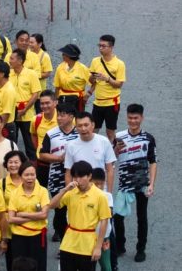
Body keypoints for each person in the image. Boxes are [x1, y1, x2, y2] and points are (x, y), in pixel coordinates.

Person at [113, 104, 157, 264]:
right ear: (127, 117)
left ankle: (141, 249)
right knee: (117, 217)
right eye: (130, 118)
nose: (132, 121)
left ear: (141, 118)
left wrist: (151, 184)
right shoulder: (119, 137)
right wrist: (116, 149)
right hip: (124, 184)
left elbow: (153, 162)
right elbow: (111, 159)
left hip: (142, 184)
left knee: (141, 217)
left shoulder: (148, 138)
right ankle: (120, 245)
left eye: (136, 118)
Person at [49, 160, 111, 271]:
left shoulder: (100, 196)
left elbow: (104, 221)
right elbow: (52, 205)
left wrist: (98, 247)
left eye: (81, 176)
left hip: (87, 245)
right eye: (75, 177)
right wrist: (64, 190)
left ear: (89, 176)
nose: (78, 180)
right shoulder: (71, 192)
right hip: (68, 244)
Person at [39, 103, 77, 242]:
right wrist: (59, 159)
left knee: (74, 208)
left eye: (62, 115)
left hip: (76, 177)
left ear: (72, 117)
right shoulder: (51, 134)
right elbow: (42, 155)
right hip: (56, 177)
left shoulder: (80, 133)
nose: (59, 118)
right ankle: (62, 237)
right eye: (58, 115)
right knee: (60, 210)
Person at [8, 161, 50, 271]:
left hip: (37, 236)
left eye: (32, 174)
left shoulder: (42, 191)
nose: (30, 178)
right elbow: (11, 218)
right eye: (26, 175)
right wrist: (35, 216)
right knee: (19, 267)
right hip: (19, 237)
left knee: (39, 267)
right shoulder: (14, 193)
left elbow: (44, 215)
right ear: (21, 176)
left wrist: (22, 214)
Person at [64, 112, 116, 192]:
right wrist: (70, 193)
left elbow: (110, 170)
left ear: (93, 125)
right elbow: (68, 173)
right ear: (76, 128)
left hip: (100, 191)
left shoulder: (104, 141)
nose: (83, 129)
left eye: (86, 125)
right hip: (79, 192)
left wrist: (109, 193)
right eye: (80, 126)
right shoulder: (71, 145)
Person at [88, 34, 126, 142]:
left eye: (103, 46)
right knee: (93, 129)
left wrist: (107, 79)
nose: (100, 48)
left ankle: (111, 153)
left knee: (110, 131)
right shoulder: (95, 61)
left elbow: (119, 84)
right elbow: (91, 82)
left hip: (112, 103)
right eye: (99, 45)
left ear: (111, 47)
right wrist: (92, 77)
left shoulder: (119, 64)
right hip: (98, 102)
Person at [9, 49, 40, 161]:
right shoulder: (8, 74)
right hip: (12, 113)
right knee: (12, 142)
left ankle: (33, 169)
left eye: (12, 59)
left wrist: (25, 109)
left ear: (20, 61)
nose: (9, 61)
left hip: (27, 114)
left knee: (30, 143)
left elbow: (35, 93)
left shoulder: (31, 74)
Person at [30, 90, 58, 186]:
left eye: (47, 103)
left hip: (59, 162)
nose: (44, 106)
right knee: (41, 192)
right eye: (42, 103)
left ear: (55, 103)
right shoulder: (36, 120)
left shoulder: (63, 119)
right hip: (42, 163)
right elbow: (33, 135)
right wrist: (38, 148)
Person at [53, 44, 91, 111]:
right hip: (63, 99)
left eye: (64, 54)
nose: (62, 55)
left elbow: (94, 82)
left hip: (77, 100)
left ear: (69, 56)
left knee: (77, 119)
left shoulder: (83, 68)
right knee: (62, 119)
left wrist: (88, 94)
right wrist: (55, 100)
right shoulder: (60, 67)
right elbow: (57, 86)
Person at [91, 168, 113, 271]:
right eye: (96, 184)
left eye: (101, 184)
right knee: (90, 265)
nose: (99, 186)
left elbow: (109, 214)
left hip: (104, 238)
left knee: (106, 267)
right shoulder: (87, 197)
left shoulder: (107, 196)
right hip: (89, 237)